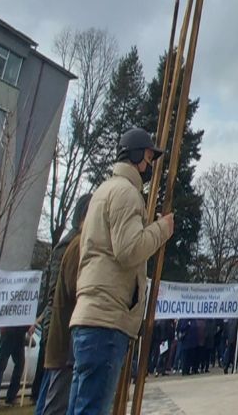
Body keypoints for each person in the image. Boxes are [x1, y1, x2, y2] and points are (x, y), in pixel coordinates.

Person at [67, 127, 174, 415]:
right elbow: (128, 250)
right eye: (149, 158)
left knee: (81, 406)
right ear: (137, 155)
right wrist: (161, 229)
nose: (150, 166)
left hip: (91, 314)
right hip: (107, 319)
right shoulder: (127, 194)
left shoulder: (103, 191)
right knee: (92, 408)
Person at [35, 193, 91, 415]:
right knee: (55, 401)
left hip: (66, 337)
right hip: (64, 336)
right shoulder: (74, 246)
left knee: (55, 397)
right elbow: (63, 293)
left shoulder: (73, 244)